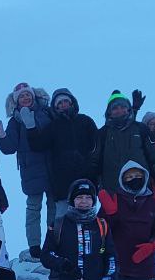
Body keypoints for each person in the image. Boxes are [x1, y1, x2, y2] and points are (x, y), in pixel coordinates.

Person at [0, 83, 53, 257]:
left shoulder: (46, 113)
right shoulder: (16, 121)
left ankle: (52, 243)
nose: (25, 98)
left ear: (33, 96)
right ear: (16, 101)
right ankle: (34, 246)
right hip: (31, 170)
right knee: (33, 208)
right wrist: (1, 136)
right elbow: (10, 147)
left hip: (52, 166)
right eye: (21, 96)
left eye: (27, 95)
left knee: (53, 207)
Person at [23, 88, 100, 218]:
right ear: (55, 107)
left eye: (65, 101)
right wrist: (31, 127)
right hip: (63, 183)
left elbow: (98, 144)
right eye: (59, 103)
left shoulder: (85, 121)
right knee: (63, 221)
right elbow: (37, 145)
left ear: (72, 102)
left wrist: (93, 167)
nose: (63, 104)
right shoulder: (53, 126)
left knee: (88, 220)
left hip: (87, 179)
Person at [97, 91, 155, 209]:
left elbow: (154, 161)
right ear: (109, 112)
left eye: (123, 107)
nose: (119, 110)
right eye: (115, 108)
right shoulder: (102, 134)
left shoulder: (140, 129)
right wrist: (99, 191)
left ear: (128, 109)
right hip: (114, 194)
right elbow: (96, 165)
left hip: (141, 192)